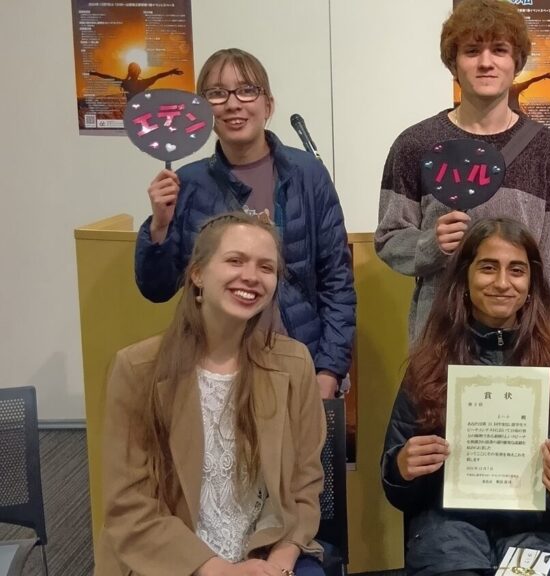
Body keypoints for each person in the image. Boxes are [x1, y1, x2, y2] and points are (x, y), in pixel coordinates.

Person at [381, 218, 550, 576]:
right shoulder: (429, 362)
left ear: (532, 285)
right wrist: (403, 468)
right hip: (450, 537)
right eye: (488, 268)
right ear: (464, 280)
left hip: (549, 537)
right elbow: (396, 486)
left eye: (516, 270)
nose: (503, 283)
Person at [98, 212, 327, 576]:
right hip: (170, 559)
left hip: (265, 549)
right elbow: (129, 503)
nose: (251, 276)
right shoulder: (137, 369)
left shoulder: (294, 362)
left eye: (266, 267)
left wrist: (280, 563)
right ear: (198, 274)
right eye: (235, 261)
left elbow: (305, 482)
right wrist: (217, 570)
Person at [135, 48, 355, 399]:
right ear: (202, 111)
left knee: (295, 456)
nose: (233, 104)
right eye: (217, 94)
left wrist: (329, 370)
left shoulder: (307, 175)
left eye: (246, 90)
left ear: (268, 105)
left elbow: (337, 282)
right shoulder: (187, 183)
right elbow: (157, 288)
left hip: (297, 360)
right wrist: (159, 228)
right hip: (212, 367)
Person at [375, 0, 550, 343]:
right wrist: (430, 243)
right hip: (438, 338)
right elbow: (389, 239)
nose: (486, 63)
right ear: (453, 63)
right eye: (471, 51)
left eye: (499, 50)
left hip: (524, 341)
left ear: (517, 62)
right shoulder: (415, 144)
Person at [89, 62, 184, 101]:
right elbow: (158, 76)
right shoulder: (142, 83)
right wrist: (171, 72)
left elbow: (108, 77)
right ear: (139, 72)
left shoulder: (126, 83)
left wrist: (96, 73)